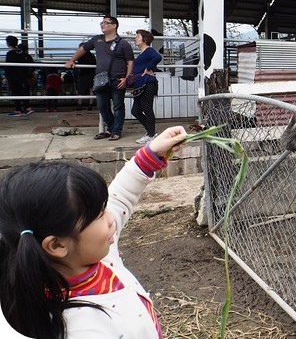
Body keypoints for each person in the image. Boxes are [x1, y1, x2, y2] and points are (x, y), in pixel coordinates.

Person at [0, 125, 188, 339]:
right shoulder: (83, 330)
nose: (110, 216)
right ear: (57, 245)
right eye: (99, 214)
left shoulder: (91, 252)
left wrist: (152, 152)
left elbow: (120, 196)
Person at [65, 16, 134, 141]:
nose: (102, 25)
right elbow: (83, 49)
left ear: (114, 26)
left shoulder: (123, 44)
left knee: (118, 106)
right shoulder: (97, 40)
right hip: (101, 78)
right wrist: (72, 60)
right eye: (102, 23)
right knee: (102, 106)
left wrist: (126, 78)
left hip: (118, 79)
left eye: (106, 23)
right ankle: (112, 128)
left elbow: (130, 62)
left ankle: (116, 131)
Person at [130, 29, 163, 144]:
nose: (135, 38)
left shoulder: (149, 50)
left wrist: (148, 68)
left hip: (148, 83)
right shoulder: (142, 53)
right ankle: (151, 131)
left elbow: (158, 57)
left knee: (147, 108)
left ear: (145, 39)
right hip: (140, 84)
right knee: (135, 110)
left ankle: (151, 134)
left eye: (138, 36)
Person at [4, 36, 34, 116]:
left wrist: (6, 77)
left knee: (16, 93)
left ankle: (18, 110)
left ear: (8, 43)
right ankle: (27, 108)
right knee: (24, 92)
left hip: (14, 77)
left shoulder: (10, 53)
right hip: (23, 76)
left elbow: (8, 66)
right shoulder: (21, 53)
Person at [75, 43, 97, 111]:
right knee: (91, 90)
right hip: (91, 74)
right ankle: (90, 105)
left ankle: (79, 105)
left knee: (80, 91)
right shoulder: (91, 55)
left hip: (83, 74)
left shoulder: (80, 55)